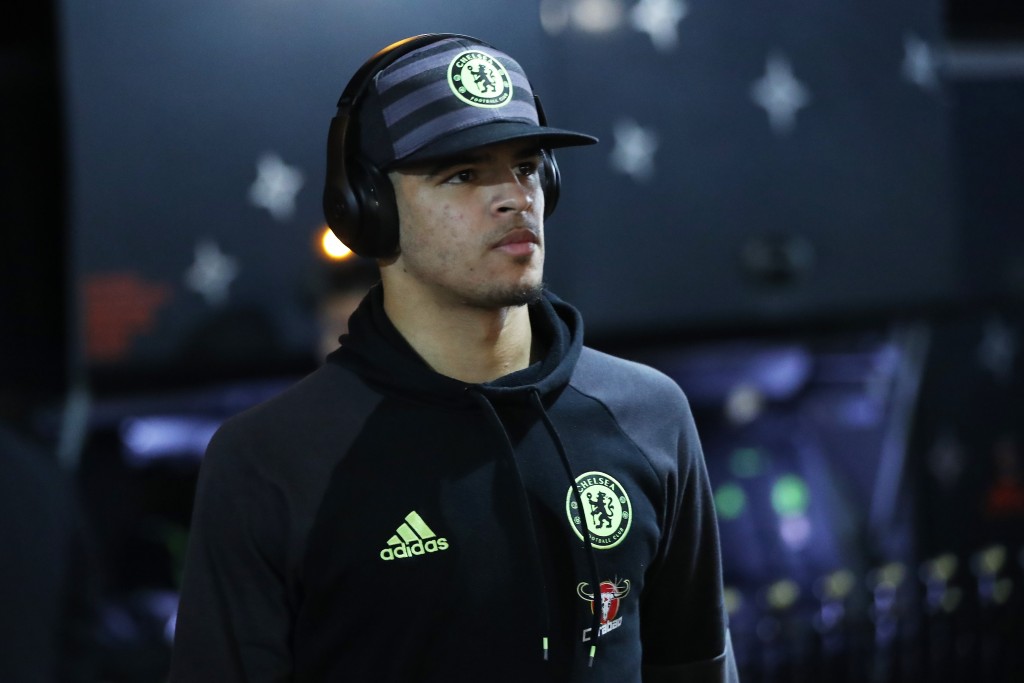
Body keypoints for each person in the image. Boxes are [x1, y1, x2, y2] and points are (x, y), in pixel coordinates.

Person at [170, 33, 738, 682]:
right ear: (369, 208)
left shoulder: (650, 416)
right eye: (463, 173)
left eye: (527, 165)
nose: (513, 196)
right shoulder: (269, 461)